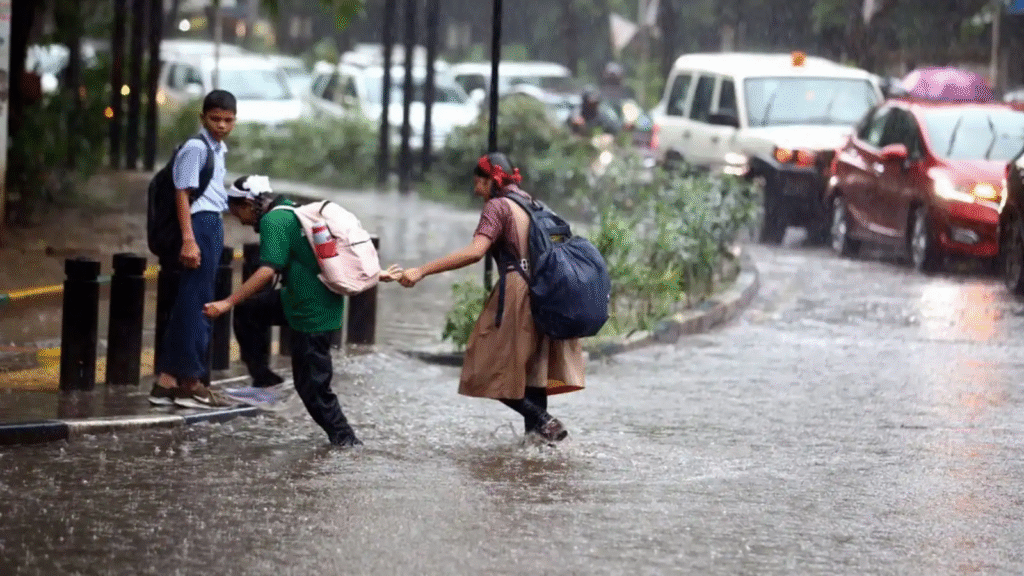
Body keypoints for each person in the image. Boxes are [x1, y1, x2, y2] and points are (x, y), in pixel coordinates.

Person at [398, 153, 586, 444]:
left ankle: (542, 420)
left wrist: (422, 270)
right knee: (534, 372)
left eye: (478, 183)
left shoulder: (497, 207)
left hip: (518, 291)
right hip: (547, 291)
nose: (476, 191)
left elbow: (475, 252)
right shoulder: (533, 203)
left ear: (492, 181)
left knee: (484, 365)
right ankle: (537, 447)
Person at [203, 175, 401, 447]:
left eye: (238, 212)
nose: (239, 220)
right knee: (250, 312)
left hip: (312, 313)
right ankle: (266, 383)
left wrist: (227, 302)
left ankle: (347, 443)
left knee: (313, 389)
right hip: (299, 300)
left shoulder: (274, 221)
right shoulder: (291, 211)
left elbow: (266, 271)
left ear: (250, 204)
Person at [148, 89, 238, 409]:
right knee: (195, 303)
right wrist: (189, 239)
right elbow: (182, 195)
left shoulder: (218, 150)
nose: (221, 125)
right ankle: (188, 381)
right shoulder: (196, 148)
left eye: (228, 120)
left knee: (193, 299)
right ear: (203, 118)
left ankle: (168, 383)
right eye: (215, 119)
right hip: (199, 224)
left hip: (212, 222)